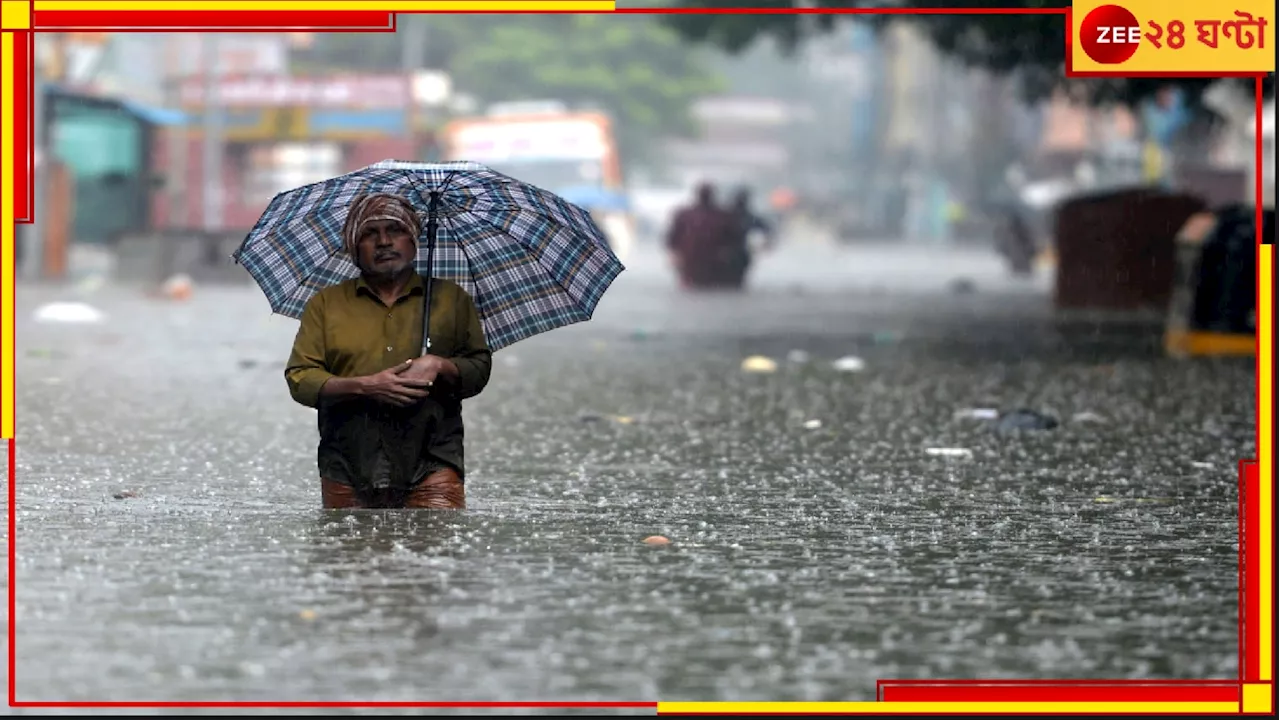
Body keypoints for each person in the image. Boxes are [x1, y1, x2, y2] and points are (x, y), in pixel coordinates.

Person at [284, 193, 493, 510]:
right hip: (348, 462)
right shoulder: (326, 305)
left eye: (395, 230)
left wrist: (439, 364)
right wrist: (366, 386)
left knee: (436, 552)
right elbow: (300, 378)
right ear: (355, 247)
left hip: (432, 459)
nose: (383, 242)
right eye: (370, 234)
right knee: (348, 555)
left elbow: (478, 370)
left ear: (413, 239)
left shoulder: (451, 300)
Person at [664, 183, 739, 290]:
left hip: (704, 260)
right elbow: (672, 237)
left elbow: (672, 237)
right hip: (697, 260)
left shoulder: (685, 214)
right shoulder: (722, 215)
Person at [726, 187, 775, 289]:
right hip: (731, 254)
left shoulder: (745, 217)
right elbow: (767, 229)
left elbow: (767, 229)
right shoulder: (727, 216)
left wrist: (766, 244)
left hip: (737, 254)